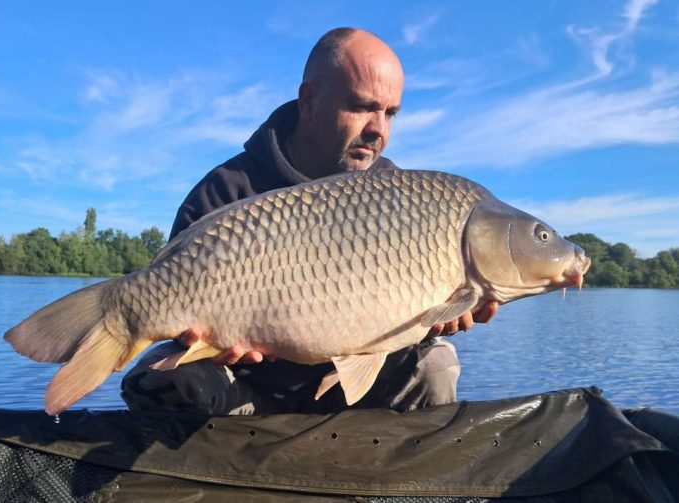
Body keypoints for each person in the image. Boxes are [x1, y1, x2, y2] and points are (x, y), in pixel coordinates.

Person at [121, 27, 499, 416]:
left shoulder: (400, 196)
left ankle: (398, 474)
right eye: (362, 106)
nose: (378, 129)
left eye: (390, 113)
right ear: (309, 100)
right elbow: (174, 303)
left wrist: (450, 310)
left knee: (435, 364)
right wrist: (207, 341)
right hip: (248, 384)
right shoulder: (228, 191)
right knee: (160, 377)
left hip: (356, 384)